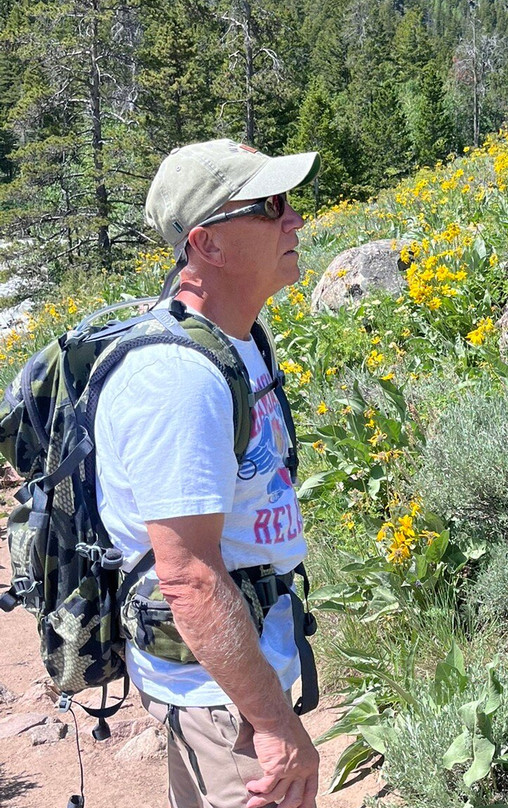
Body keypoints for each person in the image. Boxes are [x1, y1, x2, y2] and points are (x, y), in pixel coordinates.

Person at [97, 139, 322, 807]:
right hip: (219, 700)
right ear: (209, 245)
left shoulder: (238, 342)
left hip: (240, 677)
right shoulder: (179, 378)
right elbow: (187, 576)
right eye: (271, 206)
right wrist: (273, 725)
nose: (295, 220)